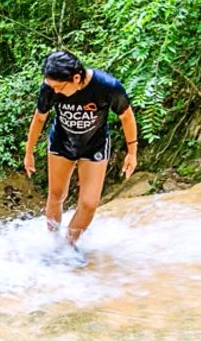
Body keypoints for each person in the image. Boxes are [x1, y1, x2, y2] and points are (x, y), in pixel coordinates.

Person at [24, 50, 138, 244]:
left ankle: (68, 246)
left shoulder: (107, 86)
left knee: (89, 203)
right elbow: (40, 117)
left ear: (76, 78)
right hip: (62, 142)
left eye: (59, 87)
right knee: (57, 195)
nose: (55, 91)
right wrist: (29, 152)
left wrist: (132, 152)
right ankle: (52, 242)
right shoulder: (50, 87)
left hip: (95, 145)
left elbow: (126, 116)